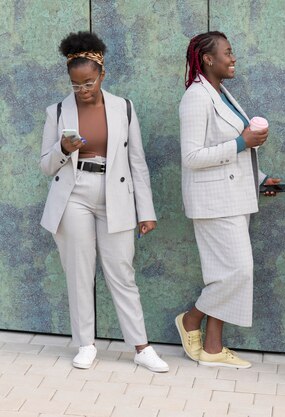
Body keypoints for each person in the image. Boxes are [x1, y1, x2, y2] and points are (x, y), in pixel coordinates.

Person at [39, 31, 169, 372]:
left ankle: (141, 347)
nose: (82, 91)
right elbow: (45, 165)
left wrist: (147, 210)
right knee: (79, 273)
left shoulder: (123, 107)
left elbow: (137, 161)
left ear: (102, 75)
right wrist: (63, 149)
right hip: (74, 193)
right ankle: (85, 344)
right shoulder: (56, 111)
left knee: (122, 272)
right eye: (75, 85)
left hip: (116, 193)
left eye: (88, 83)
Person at [176, 31, 281, 369]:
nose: (233, 58)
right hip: (212, 201)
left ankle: (212, 348)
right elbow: (192, 156)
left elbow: (237, 148)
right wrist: (241, 141)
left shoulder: (223, 94)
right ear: (208, 59)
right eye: (228, 52)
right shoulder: (196, 97)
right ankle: (191, 319)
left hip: (236, 197)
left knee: (225, 272)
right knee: (237, 271)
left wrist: (262, 179)